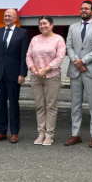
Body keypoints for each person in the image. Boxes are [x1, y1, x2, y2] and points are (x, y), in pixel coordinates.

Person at [64, 0, 92, 148]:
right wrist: (77, 61)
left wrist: (83, 61)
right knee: (75, 105)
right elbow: (68, 46)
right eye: (81, 8)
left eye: (86, 8)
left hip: (90, 71)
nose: (83, 10)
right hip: (75, 70)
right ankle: (75, 134)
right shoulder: (72, 27)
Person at [0, 8, 30, 144]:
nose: (7, 18)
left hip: (14, 74)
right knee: (0, 104)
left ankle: (14, 132)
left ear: (15, 18)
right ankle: (1, 132)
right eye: (5, 16)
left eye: (9, 16)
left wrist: (22, 73)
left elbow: (24, 55)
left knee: (13, 104)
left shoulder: (22, 33)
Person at [26, 16, 66, 146]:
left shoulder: (58, 39)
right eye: (40, 24)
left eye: (45, 23)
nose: (42, 26)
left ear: (52, 24)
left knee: (50, 106)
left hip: (52, 77)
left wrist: (45, 70)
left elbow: (60, 57)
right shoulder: (34, 39)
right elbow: (28, 56)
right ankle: (40, 134)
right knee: (39, 106)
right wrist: (33, 69)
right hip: (36, 76)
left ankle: (49, 135)